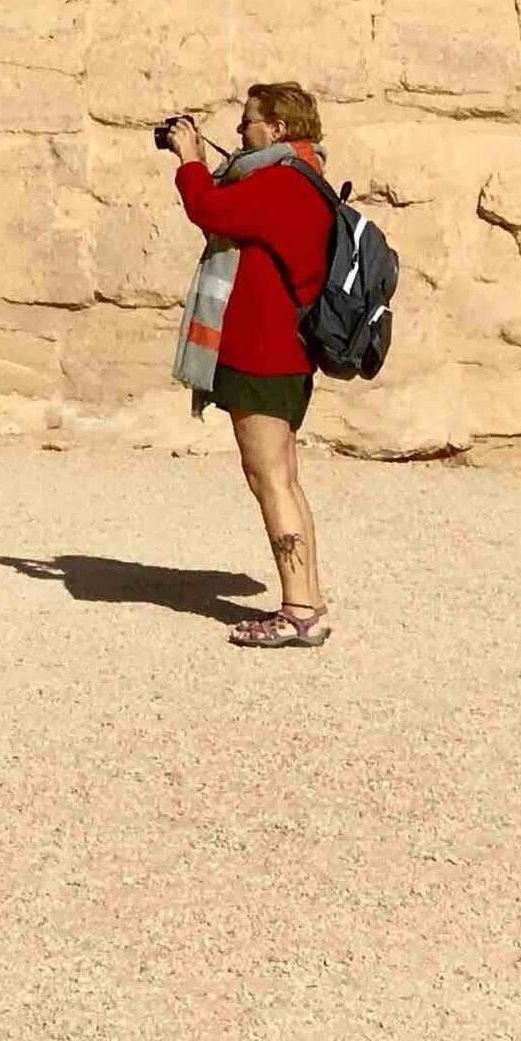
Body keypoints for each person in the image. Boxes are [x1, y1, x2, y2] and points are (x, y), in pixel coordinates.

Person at [166, 84, 336, 649]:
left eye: (246, 124)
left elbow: (208, 210)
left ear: (277, 129)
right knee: (283, 477)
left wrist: (190, 159)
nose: (240, 134)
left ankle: (298, 612)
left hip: (263, 355)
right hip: (285, 353)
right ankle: (310, 600)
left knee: (270, 480)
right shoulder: (301, 177)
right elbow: (230, 214)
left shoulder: (283, 184)